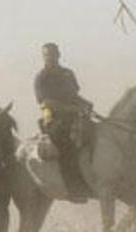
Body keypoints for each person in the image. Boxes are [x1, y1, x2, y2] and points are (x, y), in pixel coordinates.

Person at [34, 42, 92, 198]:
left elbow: (74, 96)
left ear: (58, 55)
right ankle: (74, 188)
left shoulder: (68, 73)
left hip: (75, 116)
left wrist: (86, 104)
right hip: (54, 120)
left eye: (52, 54)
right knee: (67, 147)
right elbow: (46, 102)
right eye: (46, 55)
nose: (49, 58)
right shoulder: (41, 77)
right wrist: (74, 109)